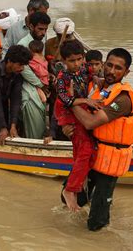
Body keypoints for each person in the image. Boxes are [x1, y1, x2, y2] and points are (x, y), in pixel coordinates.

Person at [61, 48, 133, 232]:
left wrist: (71, 102)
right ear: (103, 64)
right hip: (91, 153)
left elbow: (89, 122)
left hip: (110, 159)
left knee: (97, 220)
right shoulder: (98, 86)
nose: (112, 71)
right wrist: (67, 128)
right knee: (68, 196)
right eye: (109, 65)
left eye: (118, 68)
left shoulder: (122, 99)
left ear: (126, 72)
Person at [54, 40, 101, 210]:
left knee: (86, 152)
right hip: (70, 115)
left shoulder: (83, 69)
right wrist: (85, 100)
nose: (76, 64)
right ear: (64, 61)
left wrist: (95, 77)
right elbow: (65, 100)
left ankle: (78, 183)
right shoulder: (62, 78)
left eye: (79, 59)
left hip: (81, 111)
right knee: (86, 150)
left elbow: (91, 72)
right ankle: (70, 189)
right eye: (71, 61)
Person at [16, 11, 51, 139]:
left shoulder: (40, 41)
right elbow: (24, 69)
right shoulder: (23, 44)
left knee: (41, 121)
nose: (43, 32)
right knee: (34, 124)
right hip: (27, 88)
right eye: (40, 29)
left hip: (40, 86)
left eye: (46, 29)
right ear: (31, 27)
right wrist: (40, 84)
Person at [45, 18, 78, 140]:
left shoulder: (76, 47)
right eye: (62, 36)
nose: (65, 38)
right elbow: (45, 63)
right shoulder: (49, 44)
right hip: (55, 83)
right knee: (56, 109)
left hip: (72, 84)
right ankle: (54, 135)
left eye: (69, 36)